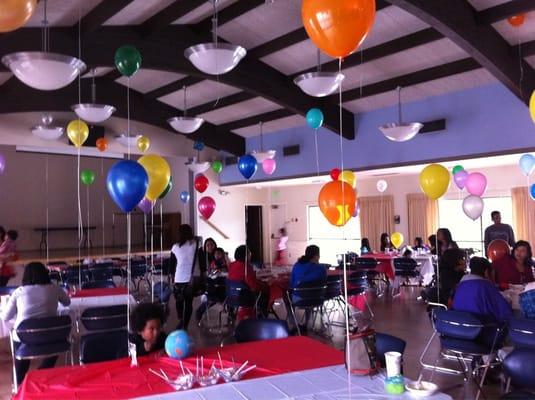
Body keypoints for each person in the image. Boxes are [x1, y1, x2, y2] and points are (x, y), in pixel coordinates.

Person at [0, 262, 71, 385]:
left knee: (21, 347)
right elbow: (67, 302)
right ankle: (41, 372)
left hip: (26, 337)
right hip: (52, 336)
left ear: (25, 276)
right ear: (45, 274)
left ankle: (18, 382)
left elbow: (6, 316)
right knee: (55, 347)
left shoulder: (19, 292)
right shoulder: (54, 288)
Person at [453, 257, 513, 324]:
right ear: (486, 271)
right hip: (481, 328)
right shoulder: (486, 286)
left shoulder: (460, 285)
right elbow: (505, 312)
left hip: (459, 327)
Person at [290, 245, 327, 332]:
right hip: (318, 299)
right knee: (311, 292)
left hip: (299, 299)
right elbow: (324, 282)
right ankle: (306, 323)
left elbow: (291, 284)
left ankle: (292, 321)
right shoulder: (322, 268)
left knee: (287, 296)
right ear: (315, 256)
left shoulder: (297, 265)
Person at [170, 224, 199, 330]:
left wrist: (171, 277)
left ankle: (180, 319)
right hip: (190, 279)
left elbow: (172, 264)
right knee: (188, 303)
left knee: (179, 301)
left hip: (178, 277)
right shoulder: (195, 244)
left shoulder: (175, 247)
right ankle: (185, 324)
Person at [228, 245, 269, 317]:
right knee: (265, 293)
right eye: (249, 254)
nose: (250, 255)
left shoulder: (231, 265)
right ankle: (263, 315)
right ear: (246, 255)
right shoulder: (247, 267)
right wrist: (265, 284)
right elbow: (253, 286)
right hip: (245, 297)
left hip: (232, 295)